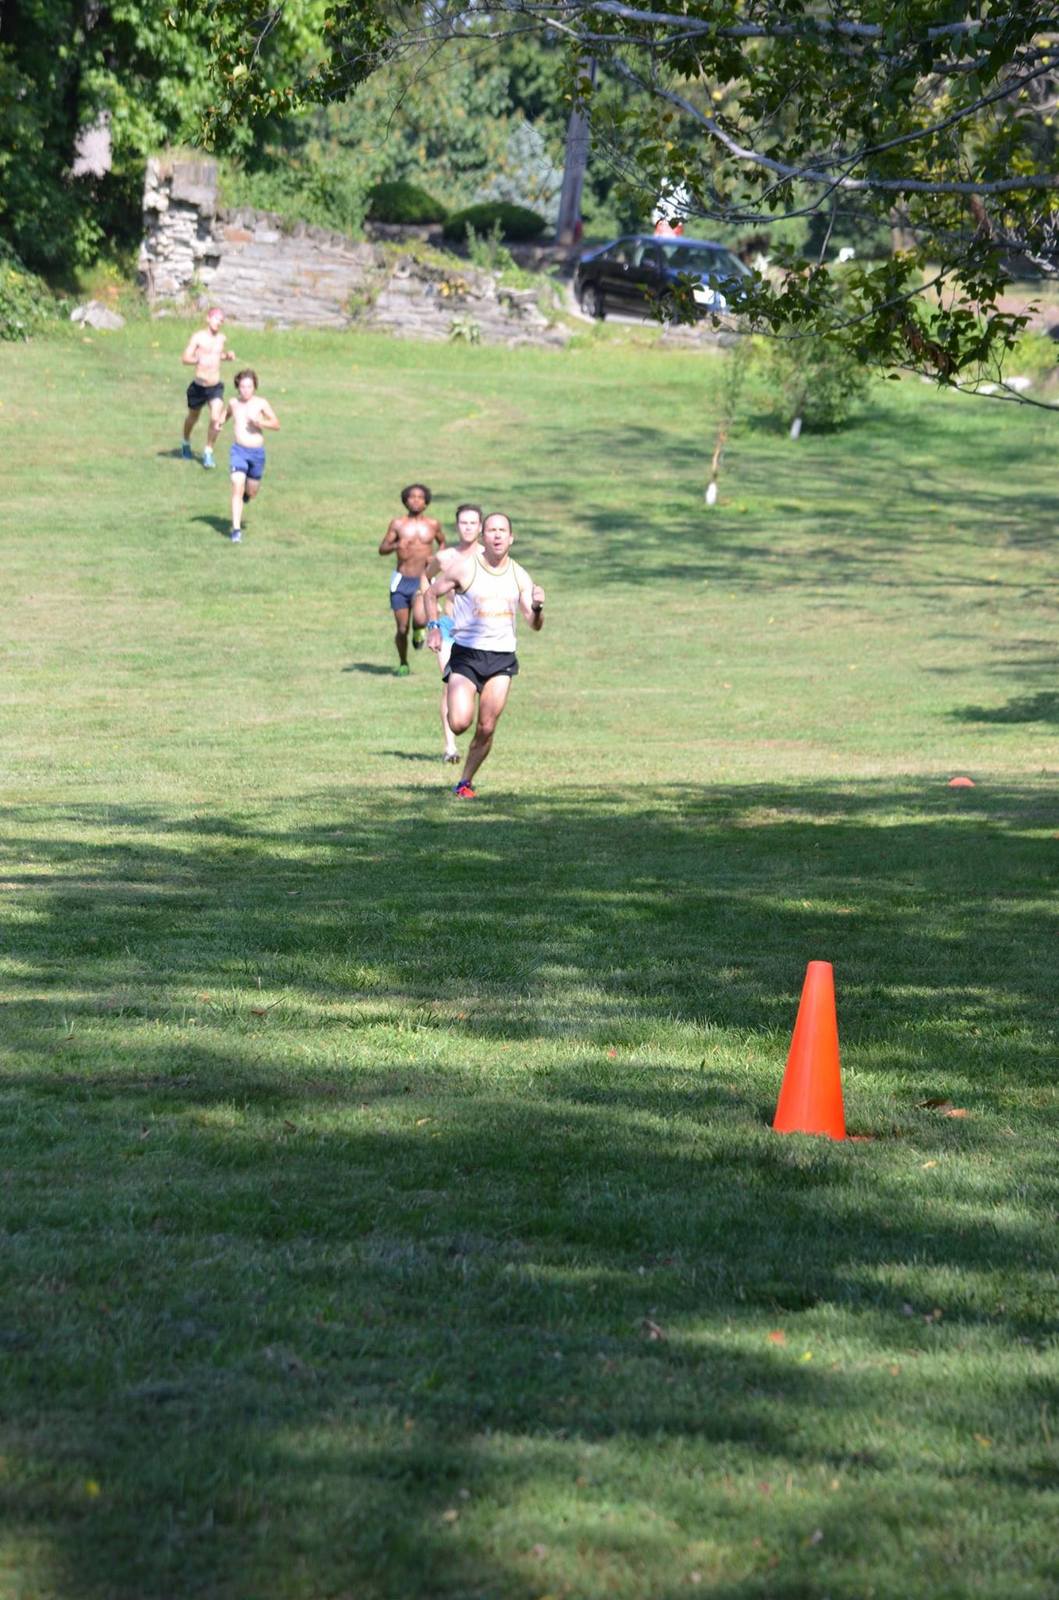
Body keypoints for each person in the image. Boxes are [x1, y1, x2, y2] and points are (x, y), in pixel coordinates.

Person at [424, 511, 545, 797]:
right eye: (492, 530)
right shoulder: (465, 569)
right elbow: (430, 593)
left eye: (503, 531)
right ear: (483, 536)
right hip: (466, 656)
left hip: (501, 658)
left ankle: (465, 782)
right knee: (459, 723)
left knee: (487, 726)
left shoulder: (519, 575)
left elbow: (534, 624)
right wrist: (433, 628)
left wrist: (538, 608)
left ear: (511, 538)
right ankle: (453, 726)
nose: (497, 535)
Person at [422, 503, 483, 761]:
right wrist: (432, 612)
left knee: (475, 689)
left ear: (480, 527)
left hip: (478, 631)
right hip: (449, 627)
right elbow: (426, 578)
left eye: (472, 523)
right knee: (450, 685)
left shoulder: (488, 557)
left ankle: (477, 740)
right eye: (463, 523)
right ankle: (450, 748)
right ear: (457, 526)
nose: (468, 528)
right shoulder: (445, 557)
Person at [378, 485, 445, 676]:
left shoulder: (433, 524)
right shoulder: (397, 524)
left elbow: (442, 542)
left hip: (422, 579)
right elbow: (382, 549)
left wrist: (436, 558)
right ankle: (403, 662)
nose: (416, 500)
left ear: (426, 502)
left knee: (419, 619)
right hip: (401, 581)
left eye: (420, 497)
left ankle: (419, 630)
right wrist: (396, 545)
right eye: (412, 497)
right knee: (401, 628)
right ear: (405, 501)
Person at [220, 369, 280, 543]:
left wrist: (260, 423)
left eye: (249, 386)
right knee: (236, 485)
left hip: (257, 454)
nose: (246, 390)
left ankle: (247, 494)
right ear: (238, 387)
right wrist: (219, 423)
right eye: (243, 386)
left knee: (252, 491)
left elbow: (276, 424)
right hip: (238, 451)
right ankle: (236, 530)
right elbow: (226, 414)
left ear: (254, 387)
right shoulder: (233, 403)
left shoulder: (261, 403)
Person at [180, 307, 235, 468]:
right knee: (193, 418)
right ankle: (185, 442)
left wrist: (227, 356)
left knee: (216, 418)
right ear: (208, 319)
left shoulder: (221, 339)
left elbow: (217, 355)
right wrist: (197, 360)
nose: (219, 322)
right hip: (198, 386)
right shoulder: (198, 337)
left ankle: (208, 452)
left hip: (215, 386)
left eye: (221, 320)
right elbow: (185, 358)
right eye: (216, 318)